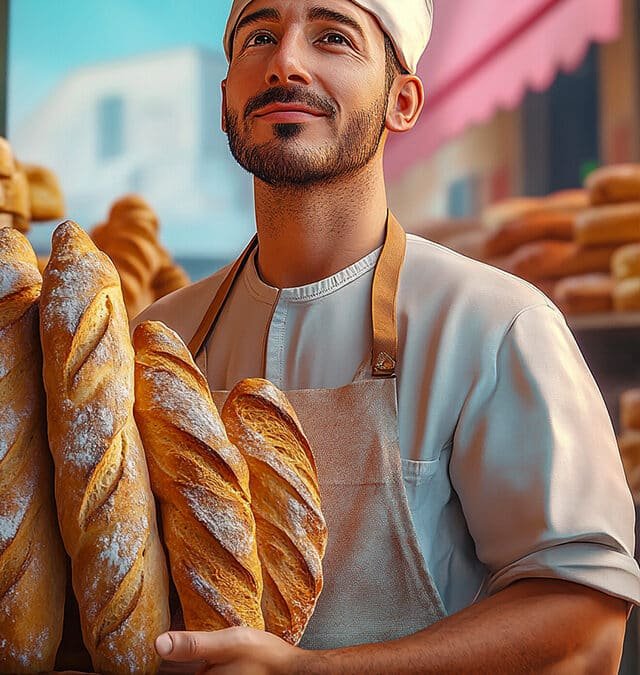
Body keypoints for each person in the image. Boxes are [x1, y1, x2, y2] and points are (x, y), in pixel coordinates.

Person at [132, 0, 640, 672]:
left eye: (333, 37)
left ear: (402, 101)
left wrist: (316, 670)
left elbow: (588, 631)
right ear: (226, 96)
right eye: (259, 35)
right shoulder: (157, 340)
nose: (285, 62)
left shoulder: (496, 325)